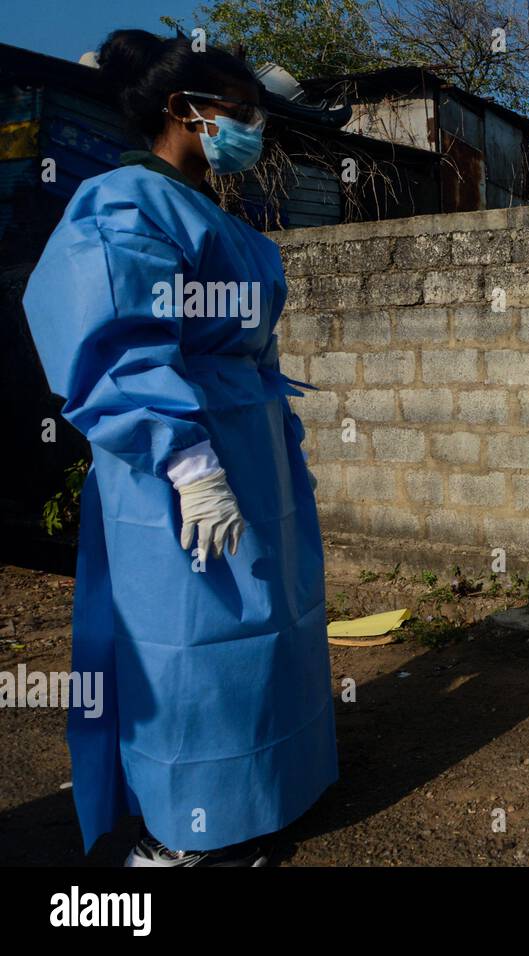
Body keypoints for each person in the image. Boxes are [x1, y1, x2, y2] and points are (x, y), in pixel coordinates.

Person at [22, 29, 338, 864]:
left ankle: (263, 792)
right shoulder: (126, 202)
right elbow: (117, 337)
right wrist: (188, 463)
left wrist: (285, 444)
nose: (253, 133)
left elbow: (259, 349)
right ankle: (184, 830)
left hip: (254, 450)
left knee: (267, 624)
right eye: (240, 114)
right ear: (184, 112)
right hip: (176, 460)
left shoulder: (226, 224)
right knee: (188, 640)